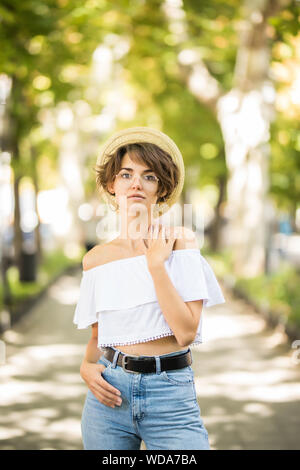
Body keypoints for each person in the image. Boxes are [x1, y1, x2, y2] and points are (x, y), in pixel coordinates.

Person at [73, 127, 226, 450]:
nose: (136, 184)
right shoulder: (95, 260)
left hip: (169, 394)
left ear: (162, 190)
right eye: (126, 174)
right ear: (112, 185)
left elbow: (185, 331)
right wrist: (87, 367)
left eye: (150, 176)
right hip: (108, 397)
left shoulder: (180, 242)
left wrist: (156, 265)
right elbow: (98, 337)